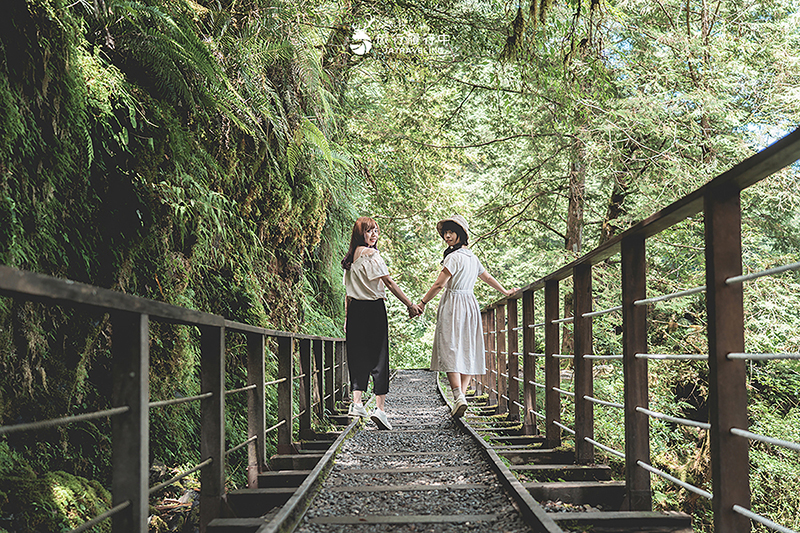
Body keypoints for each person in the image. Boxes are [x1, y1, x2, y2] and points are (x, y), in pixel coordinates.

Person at [417, 215, 516, 418]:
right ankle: (461, 395)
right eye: (445, 233)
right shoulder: (472, 257)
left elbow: (439, 284)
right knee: (468, 347)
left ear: (461, 234)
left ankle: (458, 396)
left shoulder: (453, 258)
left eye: (451, 232)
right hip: (470, 304)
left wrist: (422, 302)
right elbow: (486, 277)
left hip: (453, 303)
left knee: (449, 347)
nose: (447, 236)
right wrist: (504, 292)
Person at [342, 216, 421, 430]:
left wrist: (347, 319)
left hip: (356, 311)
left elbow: (348, 295)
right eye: (369, 231)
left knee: (357, 355)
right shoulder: (372, 255)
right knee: (379, 358)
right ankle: (380, 410)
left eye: (376, 230)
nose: (374, 234)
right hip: (374, 309)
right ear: (361, 234)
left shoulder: (349, 260)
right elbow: (388, 282)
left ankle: (356, 403)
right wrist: (410, 304)